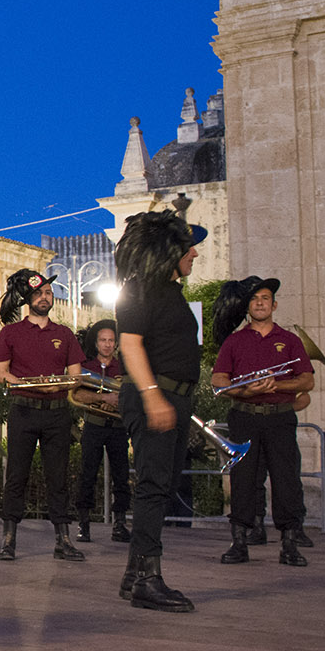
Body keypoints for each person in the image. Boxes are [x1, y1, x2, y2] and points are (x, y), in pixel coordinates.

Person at [112, 211, 203, 612]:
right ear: (169, 251)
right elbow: (130, 346)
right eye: (188, 247)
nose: (195, 253)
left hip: (173, 398)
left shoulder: (171, 292)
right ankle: (148, 579)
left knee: (160, 486)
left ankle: (134, 573)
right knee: (152, 487)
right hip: (156, 397)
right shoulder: (138, 290)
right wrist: (153, 398)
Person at [211, 277, 316, 568]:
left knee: (286, 479)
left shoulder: (290, 340)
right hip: (244, 416)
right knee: (242, 479)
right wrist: (246, 390)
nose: (260, 303)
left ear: (274, 304)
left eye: (266, 298)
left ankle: (290, 545)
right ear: (248, 305)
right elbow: (218, 381)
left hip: (280, 417)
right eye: (255, 298)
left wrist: (278, 387)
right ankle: (239, 543)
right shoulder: (234, 340)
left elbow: (307, 380)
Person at [0, 268, 84, 561]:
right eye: (39, 293)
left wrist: (55, 385)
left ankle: (63, 539)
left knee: (58, 477)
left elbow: (76, 376)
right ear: (27, 299)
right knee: (16, 474)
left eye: (48, 293)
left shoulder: (64, 334)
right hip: (24, 411)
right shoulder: (11, 333)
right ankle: (8, 540)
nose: (45, 298)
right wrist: (28, 385)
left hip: (57, 413)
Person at [71, 319, 131, 543]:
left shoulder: (123, 367)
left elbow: (131, 396)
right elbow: (77, 395)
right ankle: (84, 524)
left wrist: (118, 402)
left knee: (122, 477)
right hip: (94, 425)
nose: (107, 344)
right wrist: (103, 398)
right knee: (87, 474)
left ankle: (120, 523)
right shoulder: (87, 368)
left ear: (116, 343)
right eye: (103, 340)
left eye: (111, 340)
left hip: (117, 427)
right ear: (96, 343)